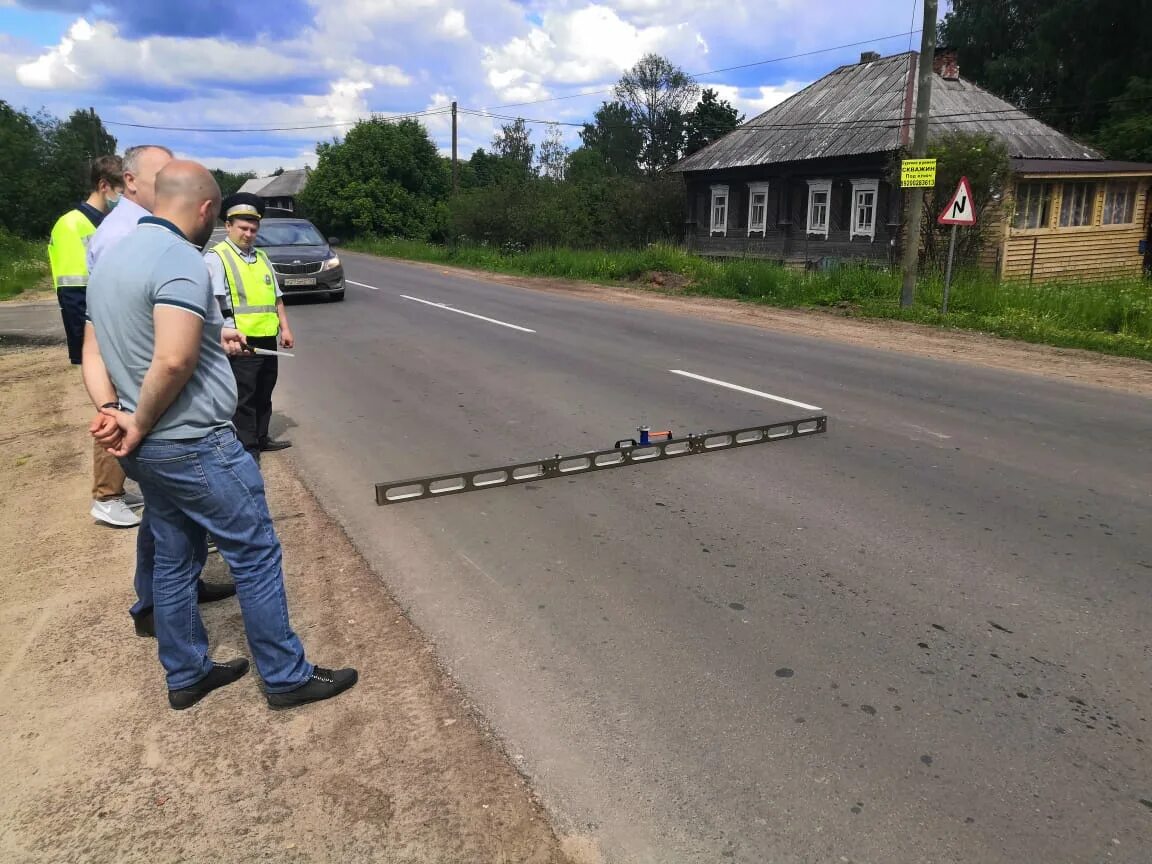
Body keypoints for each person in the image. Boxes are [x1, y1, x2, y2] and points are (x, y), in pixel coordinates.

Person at [83, 159, 357, 710]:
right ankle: (284, 676)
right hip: (194, 443)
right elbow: (175, 357)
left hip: (147, 450)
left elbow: (94, 348)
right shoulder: (182, 260)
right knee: (254, 554)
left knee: (175, 555)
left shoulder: (112, 258)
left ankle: (185, 672)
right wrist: (138, 419)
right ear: (207, 209)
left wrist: (115, 409)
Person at [87, 144, 235, 637]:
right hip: (172, 429)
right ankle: (282, 671)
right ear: (130, 181)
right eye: (160, 175)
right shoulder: (139, 242)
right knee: (247, 547)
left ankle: (180, 648)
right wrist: (126, 413)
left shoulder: (135, 239)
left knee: (170, 538)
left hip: (146, 420)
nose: (169, 183)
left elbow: (143, 328)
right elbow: (161, 354)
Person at [47, 155, 142, 528]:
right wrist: (91, 352)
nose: (125, 196)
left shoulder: (104, 223)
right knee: (112, 412)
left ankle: (116, 487)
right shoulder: (73, 226)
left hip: (114, 334)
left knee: (124, 408)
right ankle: (107, 497)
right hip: (100, 338)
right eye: (121, 188)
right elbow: (73, 293)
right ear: (105, 186)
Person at [205, 193, 294, 461]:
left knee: (264, 391)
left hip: (267, 337)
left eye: (253, 229)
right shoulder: (217, 258)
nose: (248, 234)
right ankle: (247, 448)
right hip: (241, 340)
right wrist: (225, 336)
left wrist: (285, 329)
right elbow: (213, 303)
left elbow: (276, 297)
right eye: (243, 228)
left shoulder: (262, 257)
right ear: (228, 226)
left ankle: (261, 437)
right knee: (244, 397)